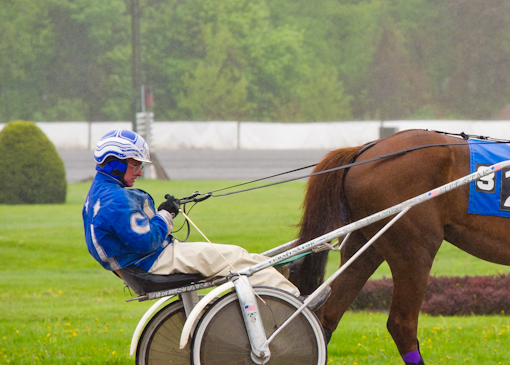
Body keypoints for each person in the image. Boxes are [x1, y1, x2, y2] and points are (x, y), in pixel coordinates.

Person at [82, 129, 327, 307]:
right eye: (134, 164)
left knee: (242, 257)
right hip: (155, 261)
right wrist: (165, 216)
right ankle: (296, 302)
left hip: (144, 262)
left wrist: (162, 214)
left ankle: (281, 285)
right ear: (114, 163)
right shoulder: (114, 201)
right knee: (235, 258)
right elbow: (147, 240)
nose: (139, 171)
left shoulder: (101, 194)